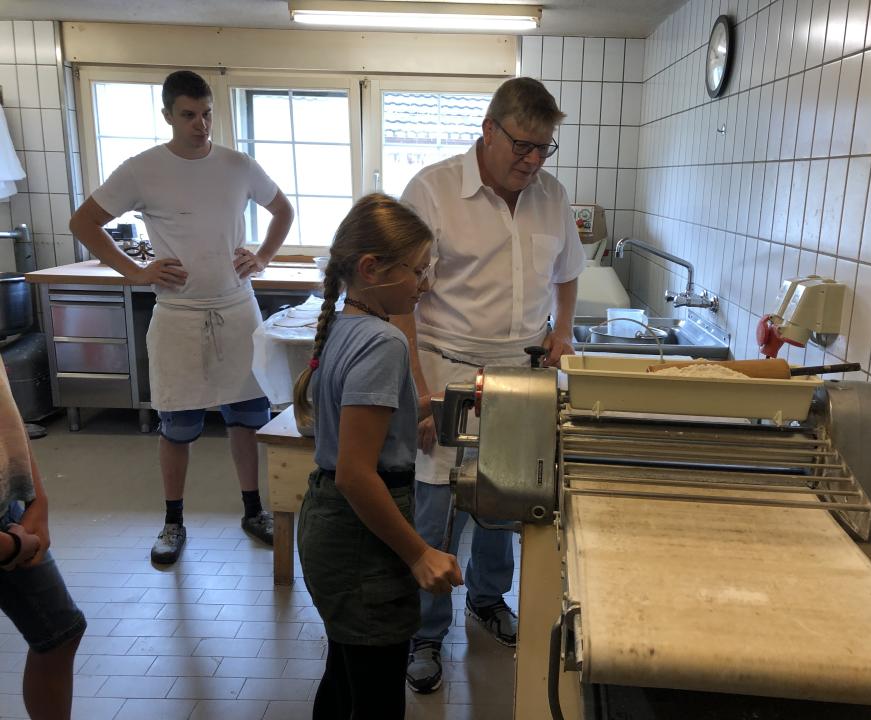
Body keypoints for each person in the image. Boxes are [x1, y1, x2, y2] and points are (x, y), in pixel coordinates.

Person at [396, 77, 586, 693]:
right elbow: (401, 302)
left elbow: (569, 273)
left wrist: (561, 332)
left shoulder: (551, 197)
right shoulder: (432, 190)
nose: (533, 162)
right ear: (488, 130)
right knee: (436, 504)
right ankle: (425, 631)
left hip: (520, 372)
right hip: (445, 365)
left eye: (544, 149)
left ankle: (487, 600)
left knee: (508, 499)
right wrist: (421, 394)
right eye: (523, 147)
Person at [69, 70, 294, 565]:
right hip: (178, 314)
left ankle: (252, 510)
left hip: (236, 310)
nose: (201, 124)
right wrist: (133, 271)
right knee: (176, 425)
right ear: (168, 115)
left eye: (207, 113)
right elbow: (83, 221)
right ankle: (173, 521)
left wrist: (262, 257)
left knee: (246, 419)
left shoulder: (238, 165)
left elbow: (283, 209)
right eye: (189, 115)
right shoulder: (141, 169)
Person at [292, 193, 463, 719]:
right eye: (417, 270)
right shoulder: (385, 342)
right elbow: (356, 473)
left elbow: (375, 420)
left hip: (331, 525)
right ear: (372, 269)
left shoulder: (346, 326)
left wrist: (458, 399)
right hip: (359, 536)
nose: (425, 282)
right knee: (375, 698)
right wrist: (419, 553)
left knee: (346, 677)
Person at [1, 357, 87, 719]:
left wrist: (36, 496)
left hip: (8, 510)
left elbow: (4, 410)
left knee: (60, 631)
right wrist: (14, 547)